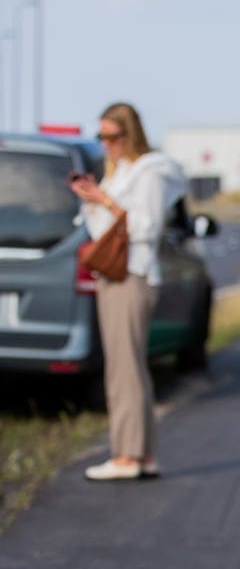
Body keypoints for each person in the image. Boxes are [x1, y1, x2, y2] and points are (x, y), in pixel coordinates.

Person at [69, 103, 186, 481]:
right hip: (116, 276)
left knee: (125, 370)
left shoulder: (148, 172)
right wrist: (94, 200)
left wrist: (104, 200)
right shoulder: (118, 172)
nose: (106, 144)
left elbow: (146, 226)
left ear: (130, 134)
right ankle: (140, 455)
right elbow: (100, 230)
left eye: (113, 136)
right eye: (101, 136)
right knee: (126, 368)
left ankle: (128, 456)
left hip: (131, 276)